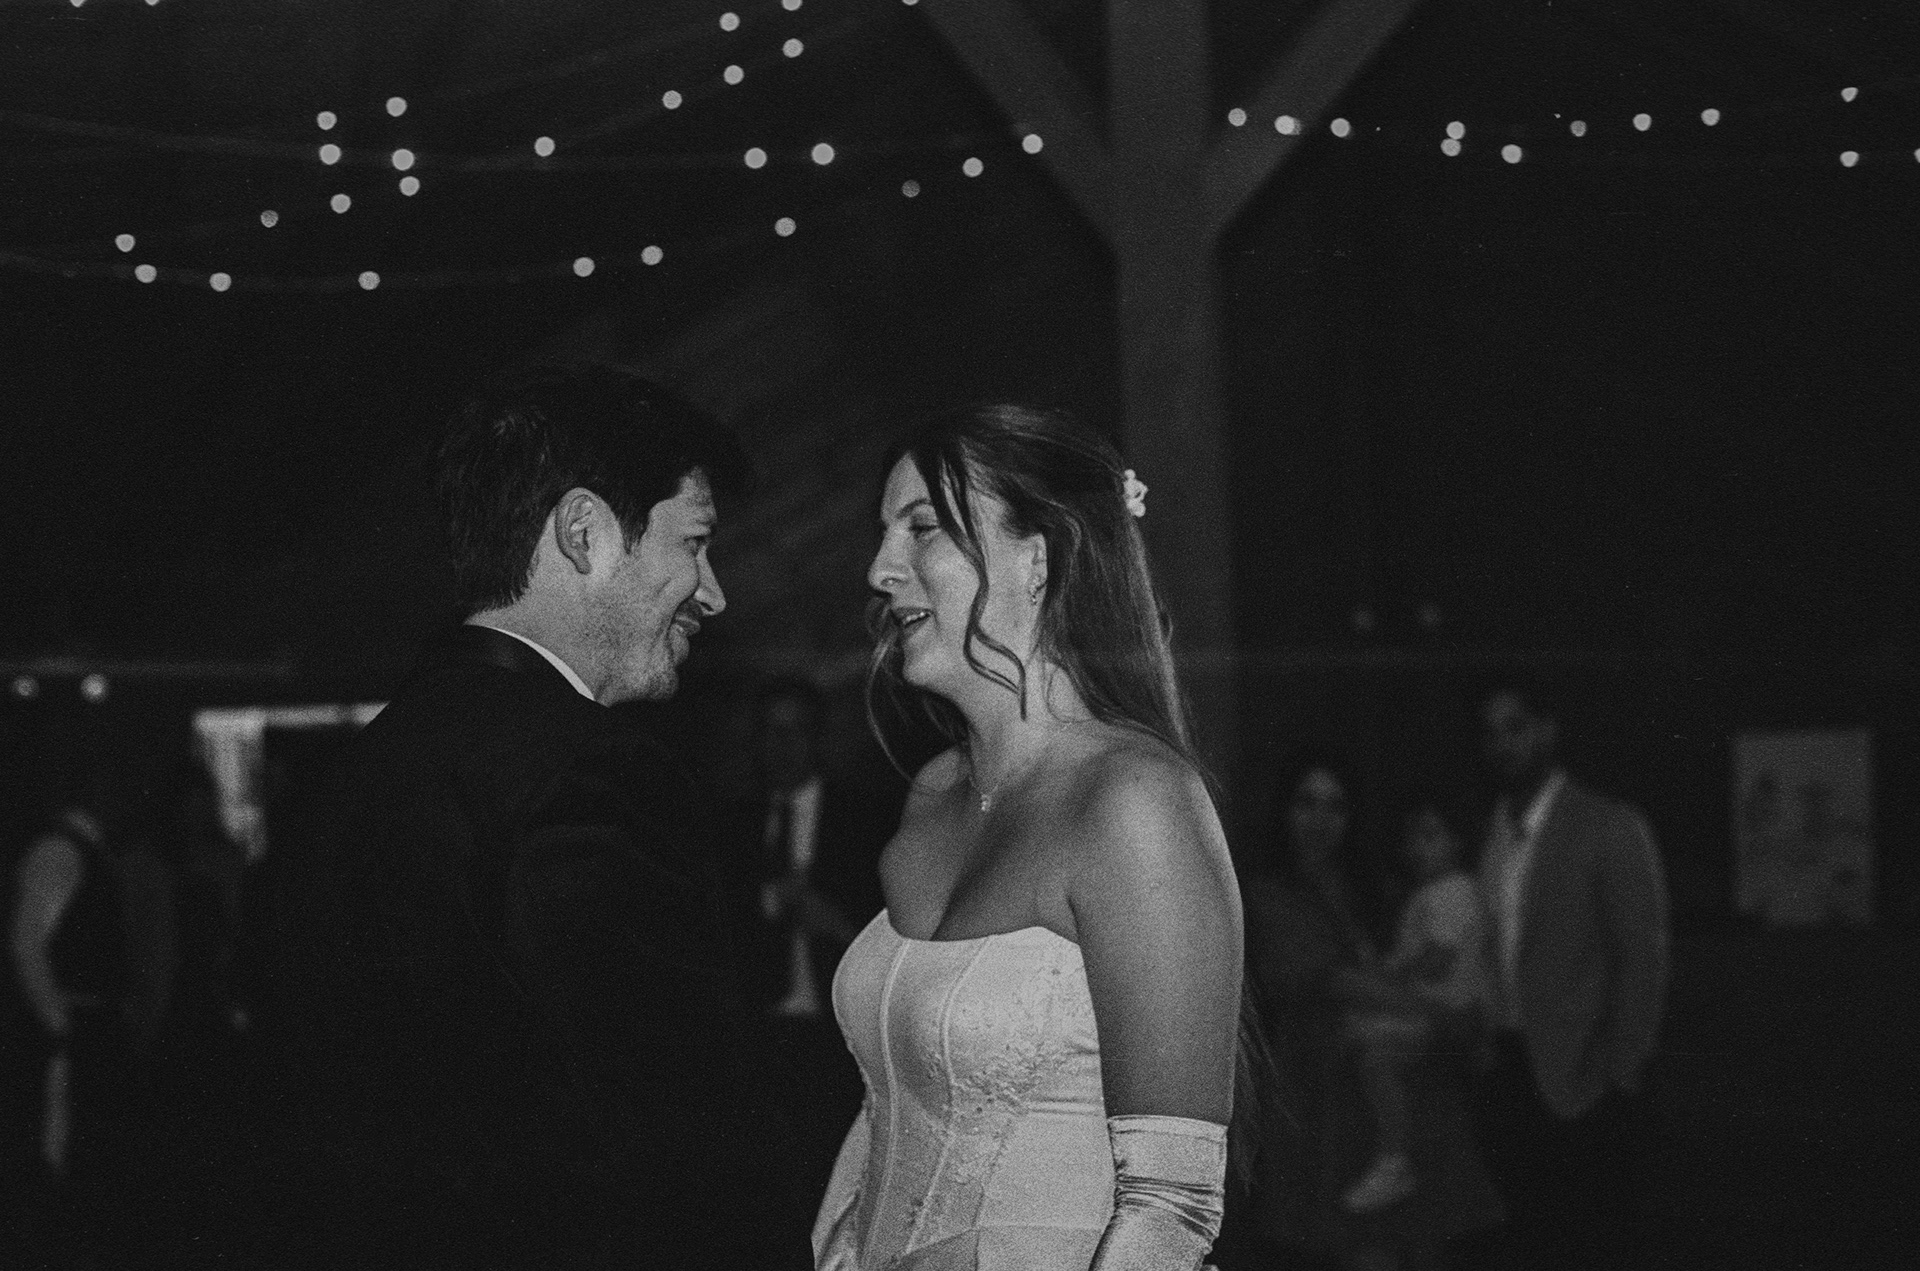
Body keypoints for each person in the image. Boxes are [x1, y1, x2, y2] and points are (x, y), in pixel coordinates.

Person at [262, 364, 808, 1269]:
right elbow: (679, 1134)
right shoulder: (596, 772)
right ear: (584, 532)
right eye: (695, 543)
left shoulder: (357, 769)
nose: (713, 593)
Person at [814, 403, 1243, 1270]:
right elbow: (891, 1104)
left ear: (1036, 559)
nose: (880, 569)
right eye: (884, 532)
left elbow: (1171, 1208)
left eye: (922, 527)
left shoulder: (1133, 800)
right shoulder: (935, 792)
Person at [1241, 756, 1499, 1271]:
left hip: (1399, 1077)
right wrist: (1446, 1016)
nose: (1320, 820)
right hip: (1323, 1084)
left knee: (1421, 1236)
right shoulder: (1270, 893)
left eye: (1335, 807)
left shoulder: (1368, 885)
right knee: (1360, 1243)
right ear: (1284, 811)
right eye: (1306, 803)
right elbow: (1333, 981)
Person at [1472, 683, 1670, 1269]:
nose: (1503, 745)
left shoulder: (1606, 825)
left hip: (1586, 1074)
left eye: (1515, 727)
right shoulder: (1496, 831)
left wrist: (1619, 1073)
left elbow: (1643, 960)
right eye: (1490, 732)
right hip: (1510, 1069)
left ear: (1547, 729)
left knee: (1592, 1243)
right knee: (1531, 1239)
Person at [727, 675, 889, 1197]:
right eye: (771, 731)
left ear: (819, 737)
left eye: (796, 730)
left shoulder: (865, 819)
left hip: (837, 1036)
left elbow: (895, 933)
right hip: (756, 1034)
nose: (783, 745)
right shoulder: (729, 821)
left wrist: (833, 922)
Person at [1339, 800, 1492, 1216]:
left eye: (1430, 836)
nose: (1417, 848)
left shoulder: (1455, 890)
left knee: (1372, 1055)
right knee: (1356, 1032)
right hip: (1427, 1009)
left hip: (1448, 1014)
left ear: (1456, 842)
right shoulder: (1430, 892)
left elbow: (1437, 961)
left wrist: (1388, 975)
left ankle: (1394, 1160)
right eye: (1412, 838)